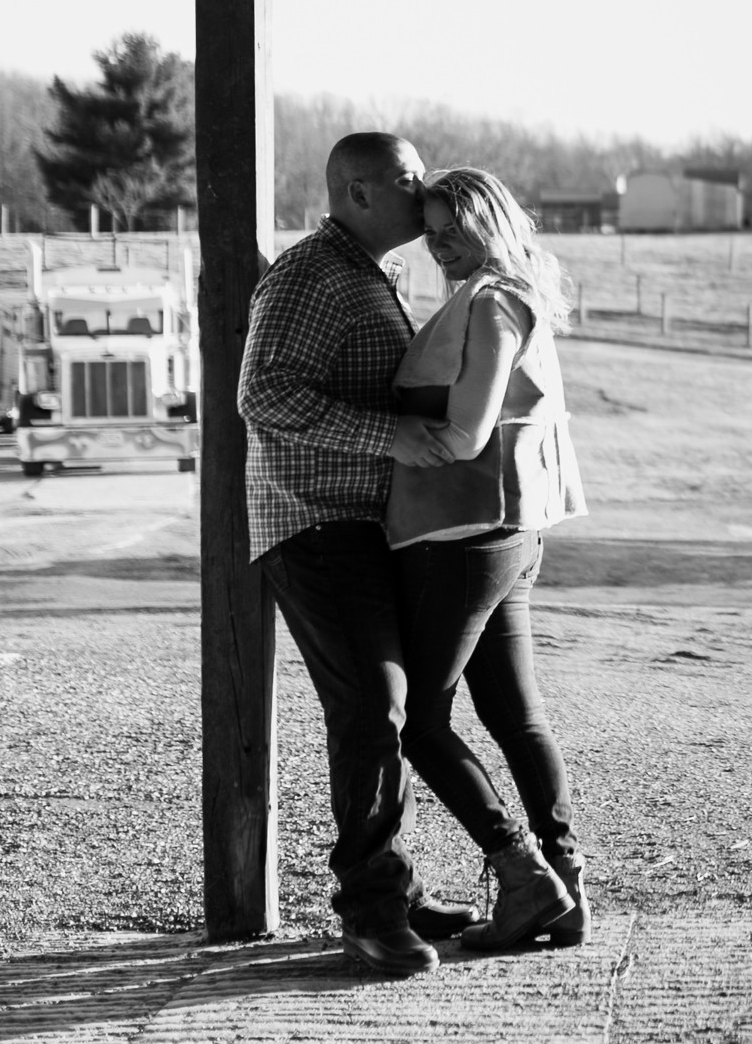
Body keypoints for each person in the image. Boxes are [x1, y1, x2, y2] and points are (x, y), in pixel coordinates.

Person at [237, 131, 465, 978]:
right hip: (313, 521)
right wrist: (394, 433)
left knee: (390, 709)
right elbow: (261, 395)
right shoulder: (309, 274)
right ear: (362, 191)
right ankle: (370, 912)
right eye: (411, 179)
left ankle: (393, 895)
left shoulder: (371, 273)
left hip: (365, 525)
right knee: (373, 704)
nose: (426, 187)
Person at [386, 166, 591, 953]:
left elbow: (469, 431)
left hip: (462, 537)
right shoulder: (495, 294)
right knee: (512, 714)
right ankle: (564, 889)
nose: (439, 243)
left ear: (491, 223)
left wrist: (383, 429)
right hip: (507, 534)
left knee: (422, 724)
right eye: (431, 229)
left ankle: (522, 870)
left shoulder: (492, 301)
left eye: (453, 228)